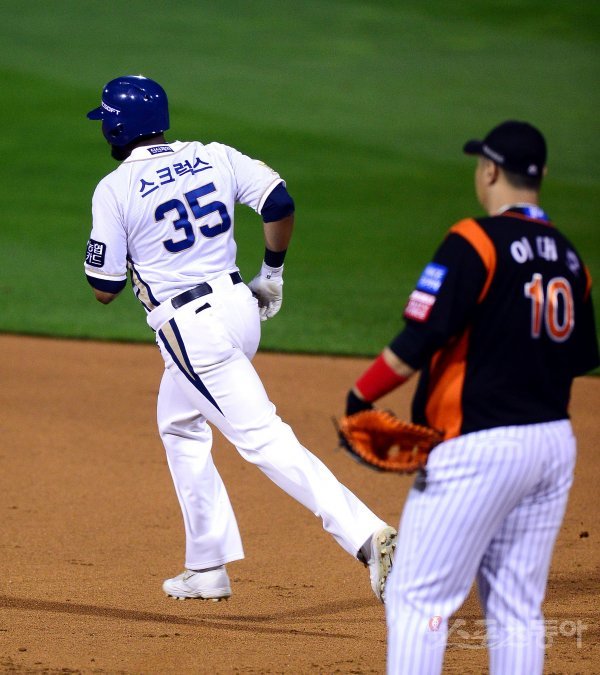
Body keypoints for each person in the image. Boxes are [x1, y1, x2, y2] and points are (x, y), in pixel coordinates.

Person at [84, 74, 397, 603]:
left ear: (115, 129)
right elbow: (278, 201)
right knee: (179, 424)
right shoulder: (213, 154)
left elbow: (104, 288)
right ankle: (207, 566)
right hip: (240, 308)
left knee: (263, 438)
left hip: (192, 330)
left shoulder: (114, 189)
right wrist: (271, 273)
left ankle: (367, 535)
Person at [343, 120, 599, 673]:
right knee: (516, 606)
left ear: (490, 171)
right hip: (552, 446)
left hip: (478, 447)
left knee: (417, 599)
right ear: (541, 176)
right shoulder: (570, 258)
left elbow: (418, 340)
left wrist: (359, 398)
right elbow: (580, 357)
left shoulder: (475, 240)